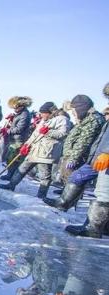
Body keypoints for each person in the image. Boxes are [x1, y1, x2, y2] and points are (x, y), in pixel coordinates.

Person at [63, 85, 109, 237]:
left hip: (106, 158)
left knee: (103, 193)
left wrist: (107, 152)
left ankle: (93, 228)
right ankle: (103, 227)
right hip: (98, 157)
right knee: (97, 188)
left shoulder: (95, 119)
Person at [0, 102, 69, 199]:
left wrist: (48, 132)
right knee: (22, 168)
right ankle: (11, 185)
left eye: (43, 113)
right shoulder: (43, 120)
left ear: (49, 112)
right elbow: (35, 134)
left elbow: (63, 133)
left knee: (45, 176)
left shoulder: (62, 119)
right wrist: (27, 144)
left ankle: (41, 195)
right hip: (35, 150)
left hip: (46, 152)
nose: (41, 115)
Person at [57, 95, 104, 185]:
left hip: (78, 156)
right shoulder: (86, 119)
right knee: (68, 177)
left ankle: (69, 198)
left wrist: (73, 158)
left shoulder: (92, 120)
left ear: (81, 108)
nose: (73, 113)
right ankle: (65, 193)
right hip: (72, 154)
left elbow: (84, 141)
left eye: (74, 110)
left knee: (73, 179)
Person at [0, 96, 32, 180]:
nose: (14, 110)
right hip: (13, 139)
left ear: (21, 106)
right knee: (9, 157)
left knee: (13, 159)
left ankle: (11, 175)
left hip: (19, 140)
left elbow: (19, 128)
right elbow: (14, 125)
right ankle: (9, 173)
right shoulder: (19, 114)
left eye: (16, 108)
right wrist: (11, 120)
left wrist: (7, 131)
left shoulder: (25, 114)